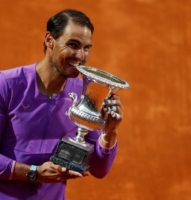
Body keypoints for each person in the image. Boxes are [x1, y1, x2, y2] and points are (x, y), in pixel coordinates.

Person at [0, 9, 124, 200]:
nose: (80, 55)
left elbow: (99, 170)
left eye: (87, 48)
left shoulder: (86, 91)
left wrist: (110, 133)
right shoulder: (7, 85)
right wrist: (34, 173)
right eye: (73, 45)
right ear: (50, 40)